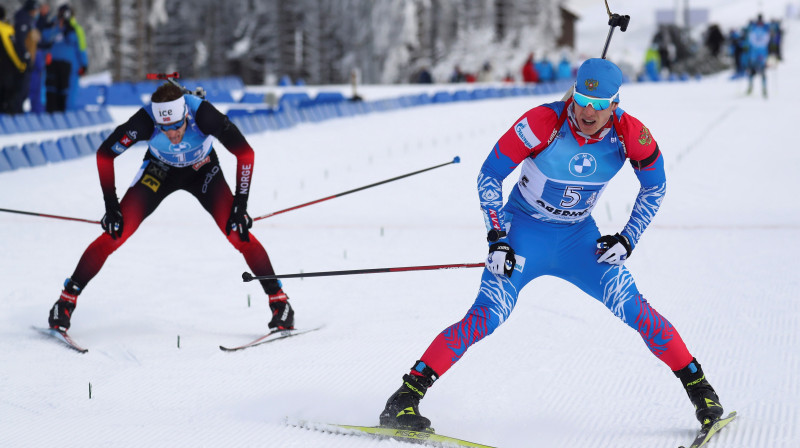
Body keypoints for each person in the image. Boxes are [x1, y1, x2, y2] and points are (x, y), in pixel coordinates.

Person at [379, 58, 725, 432]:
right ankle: (404, 398)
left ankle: (701, 391)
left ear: (615, 103)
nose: (589, 111)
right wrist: (497, 238)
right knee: (486, 317)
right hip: (524, 232)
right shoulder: (543, 122)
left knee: (635, 309)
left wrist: (628, 238)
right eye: (582, 100)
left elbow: (655, 185)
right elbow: (490, 175)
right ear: (574, 94)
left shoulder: (631, 134)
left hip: (579, 239)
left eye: (600, 103)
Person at [46, 80, 295, 334]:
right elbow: (104, 154)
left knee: (237, 231)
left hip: (203, 170)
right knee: (116, 233)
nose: (173, 135)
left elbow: (246, 153)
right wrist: (112, 206)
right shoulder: (145, 121)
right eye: (165, 129)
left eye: (177, 127)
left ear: (186, 115)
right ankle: (66, 301)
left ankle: (279, 303)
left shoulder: (204, 115)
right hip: (159, 171)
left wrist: (241, 204)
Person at [41, 3, 87, 111]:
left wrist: (84, 64)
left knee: (67, 91)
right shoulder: (53, 25)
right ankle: (51, 111)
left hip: (69, 65)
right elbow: (45, 39)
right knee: (51, 89)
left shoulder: (75, 29)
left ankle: (64, 113)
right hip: (52, 63)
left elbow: (81, 47)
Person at [11, 0, 41, 113]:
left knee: (24, 90)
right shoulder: (24, 19)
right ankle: (16, 113)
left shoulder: (28, 20)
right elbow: (21, 41)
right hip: (22, 62)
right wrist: (26, 57)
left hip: (26, 61)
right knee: (21, 90)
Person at [0, 4, 28, 114]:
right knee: (8, 97)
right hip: (6, 70)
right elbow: (12, 50)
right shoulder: (5, 29)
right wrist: (21, 65)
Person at [745, 14, 770, 98]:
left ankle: (764, 88)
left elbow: (765, 41)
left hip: (762, 55)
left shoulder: (765, 30)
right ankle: (750, 87)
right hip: (753, 55)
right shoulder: (754, 30)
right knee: (751, 72)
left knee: (762, 72)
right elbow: (751, 40)